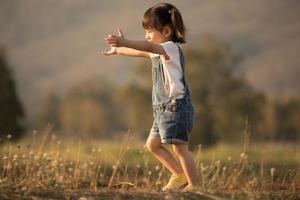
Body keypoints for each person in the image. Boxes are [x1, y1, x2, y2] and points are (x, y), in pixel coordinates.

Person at [101, 3, 199, 192]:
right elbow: (141, 51)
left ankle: (195, 186)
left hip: (176, 107)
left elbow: (145, 45)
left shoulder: (170, 48)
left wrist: (124, 41)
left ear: (167, 31)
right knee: (152, 145)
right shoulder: (157, 52)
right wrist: (118, 50)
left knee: (180, 149)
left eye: (149, 31)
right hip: (162, 110)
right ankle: (179, 174)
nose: (146, 36)